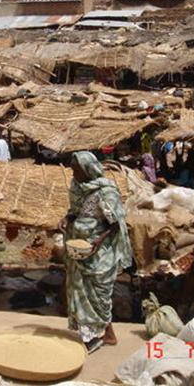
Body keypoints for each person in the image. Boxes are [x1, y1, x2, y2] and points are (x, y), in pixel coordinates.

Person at [58, 151, 133, 353]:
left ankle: (100, 335)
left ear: (88, 169)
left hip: (99, 252)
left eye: (77, 170)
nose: (74, 175)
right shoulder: (77, 188)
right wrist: (67, 219)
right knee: (80, 292)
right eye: (73, 170)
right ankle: (95, 335)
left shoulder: (106, 191)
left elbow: (116, 224)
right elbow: (75, 212)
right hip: (79, 248)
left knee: (98, 295)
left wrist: (98, 242)